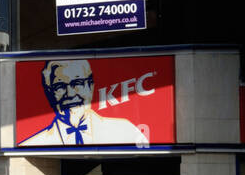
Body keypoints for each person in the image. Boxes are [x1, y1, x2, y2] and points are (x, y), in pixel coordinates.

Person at [19, 59, 149, 146]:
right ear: (49, 93)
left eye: (77, 83)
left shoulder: (126, 130)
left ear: (91, 86)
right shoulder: (32, 144)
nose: (70, 94)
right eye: (59, 86)